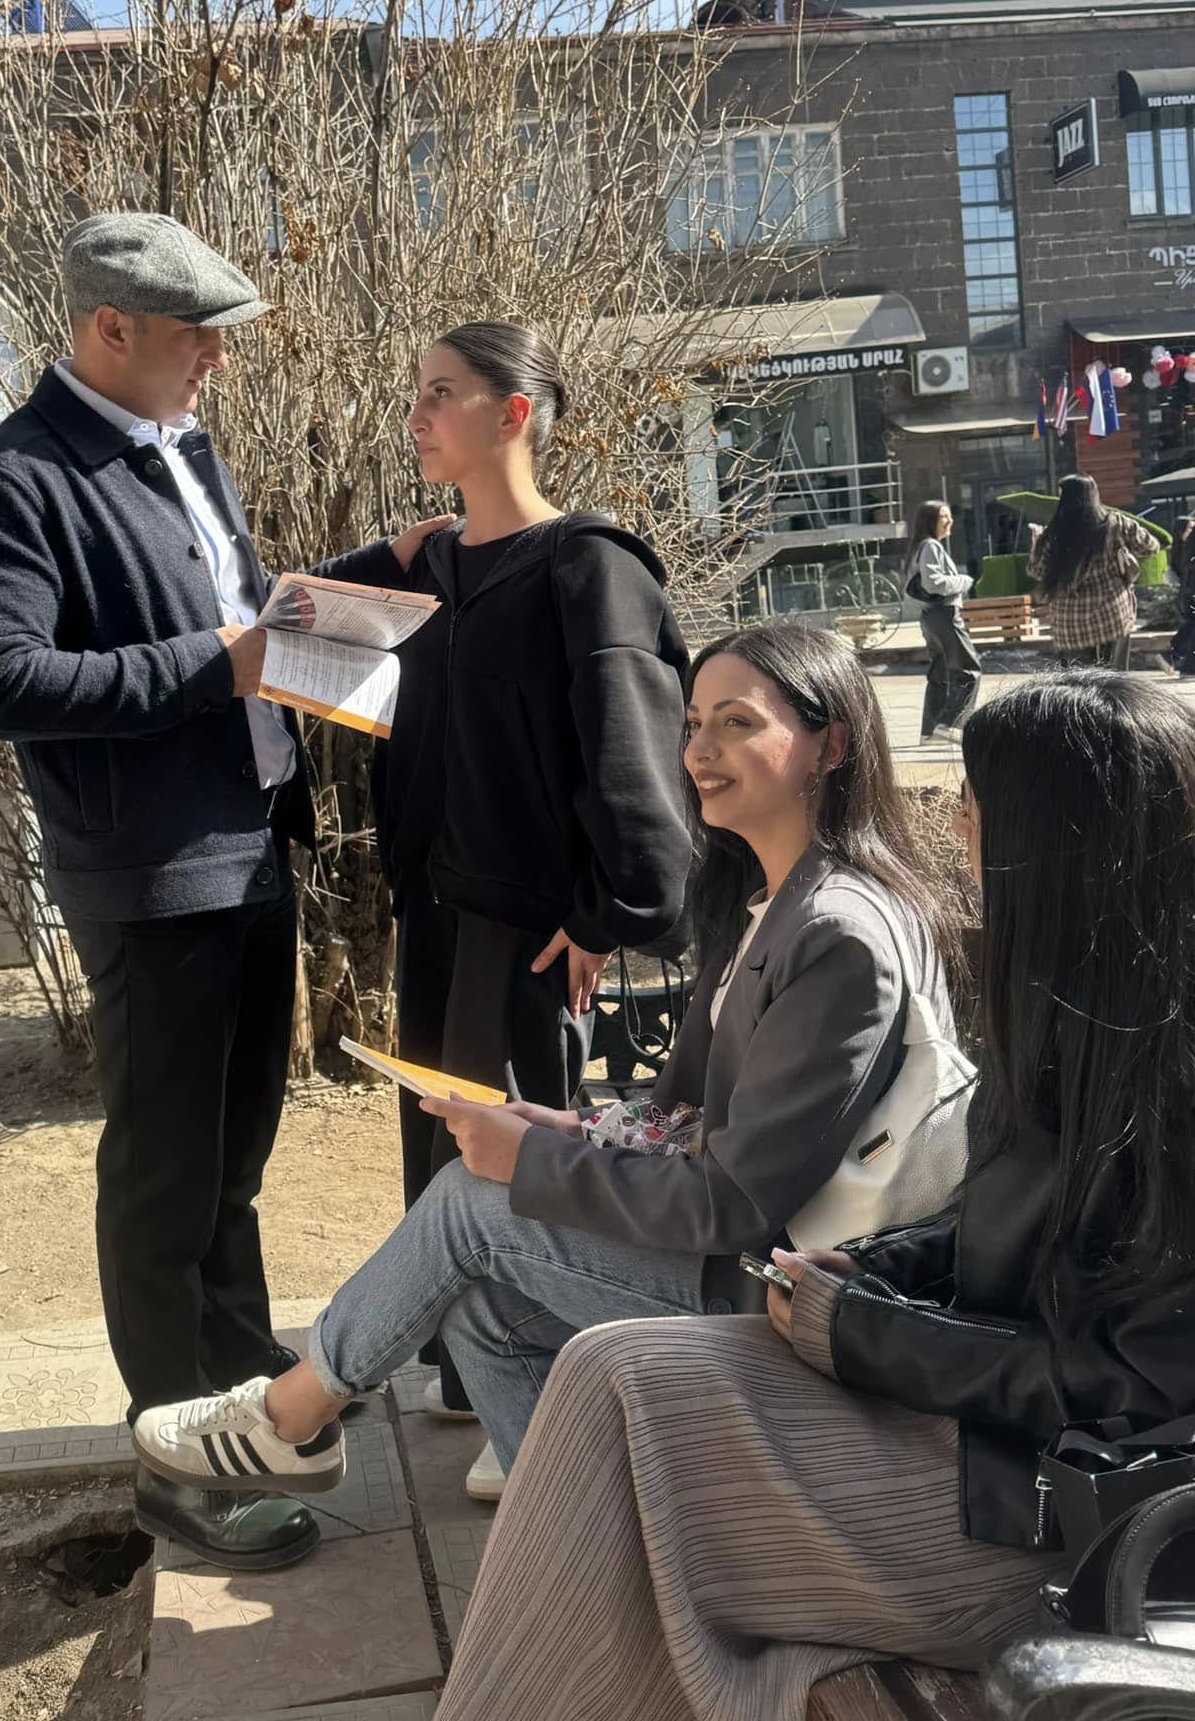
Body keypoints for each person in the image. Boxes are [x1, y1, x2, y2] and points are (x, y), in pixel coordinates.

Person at [430, 669, 1195, 1721]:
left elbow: (1141, 1388)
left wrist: (872, 1334)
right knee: (612, 1374)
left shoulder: (1165, 1082)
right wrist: (874, 1270)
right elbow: (1011, 1228)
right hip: (979, 1433)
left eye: (975, 808)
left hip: (1065, 1522)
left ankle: (304, 1421)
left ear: (1061, 847)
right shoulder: (1071, 1020)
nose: (955, 829)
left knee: (623, 1476)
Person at [128, 621, 960, 1509]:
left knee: (471, 1206)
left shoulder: (838, 935)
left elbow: (732, 1203)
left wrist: (531, 1161)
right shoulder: (774, 902)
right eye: (692, 724)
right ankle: (577, 1536)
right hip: (741, 1258)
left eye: (737, 723)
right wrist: (565, 1128)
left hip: (788, 1294)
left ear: (831, 744)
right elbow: (686, 1117)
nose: (699, 752)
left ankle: (287, 1420)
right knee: (477, 1303)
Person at [0, 211, 445, 1571]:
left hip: (247, 847)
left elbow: (243, 619)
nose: (217, 359)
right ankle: (179, 1458)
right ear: (110, 328)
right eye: (196, 336)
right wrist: (218, 664)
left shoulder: (180, 446)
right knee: (166, 1176)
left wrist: (364, 583)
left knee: (234, 1157)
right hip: (150, 877)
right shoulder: (16, 481)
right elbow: (6, 683)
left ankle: (242, 1385)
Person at [321, 321, 695, 1436]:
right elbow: (297, 618)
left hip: (531, 927)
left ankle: (542, 1401)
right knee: (442, 1142)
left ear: (514, 413)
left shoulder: (589, 565)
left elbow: (633, 750)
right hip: (436, 909)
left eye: (442, 392)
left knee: (514, 1157)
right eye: (417, 392)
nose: (417, 416)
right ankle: (463, 1376)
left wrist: (615, 913)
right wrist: (392, 554)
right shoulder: (431, 567)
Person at [1028, 472, 1158, 669]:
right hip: (1112, 616)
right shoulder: (1116, 524)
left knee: (1079, 685)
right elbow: (1151, 546)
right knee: (1114, 682)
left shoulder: (1051, 534)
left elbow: (1037, 571)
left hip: (1069, 625)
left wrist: (1035, 543)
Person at [904, 499, 979, 746]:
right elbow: (933, 583)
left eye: (949, 516)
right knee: (969, 670)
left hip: (930, 617)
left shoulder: (920, 547)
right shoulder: (931, 546)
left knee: (940, 673)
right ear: (930, 521)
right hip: (944, 615)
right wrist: (964, 581)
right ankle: (951, 724)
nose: (950, 521)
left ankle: (930, 732)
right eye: (943, 517)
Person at [1169, 515, 1195, 676]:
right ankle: (1187, 665)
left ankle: (1177, 652)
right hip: (1190, 590)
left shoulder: (1187, 545)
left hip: (1188, 590)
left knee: (1191, 625)